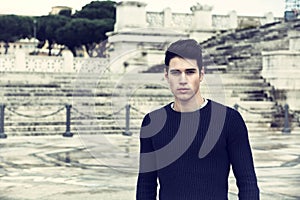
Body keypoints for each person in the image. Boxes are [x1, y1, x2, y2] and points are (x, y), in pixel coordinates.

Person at [136, 39, 259, 200]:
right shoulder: (152, 122)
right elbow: (146, 185)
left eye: (190, 72)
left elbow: (247, 181)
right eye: (175, 72)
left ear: (201, 75)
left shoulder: (228, 120)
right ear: (166, 75)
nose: (182, 80)